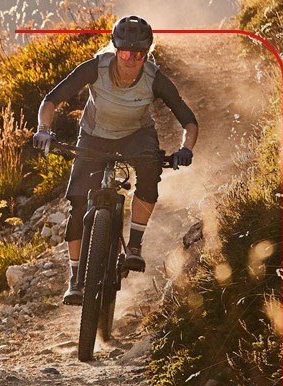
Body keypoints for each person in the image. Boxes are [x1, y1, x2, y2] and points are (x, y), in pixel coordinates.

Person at [33, 16, 198, 305]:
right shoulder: (94, 68)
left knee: (149, 171)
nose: (131, 59)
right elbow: (51, 99)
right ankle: (75, 279)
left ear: (146, 54)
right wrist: (44, 130)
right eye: (124, 52)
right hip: (95, 135)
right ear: (115, 48)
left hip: (137, 135)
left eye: (138, 54)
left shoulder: (153, 77)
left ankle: (133, 247)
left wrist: (185, 148)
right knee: (79, 202)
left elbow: (188, 120)